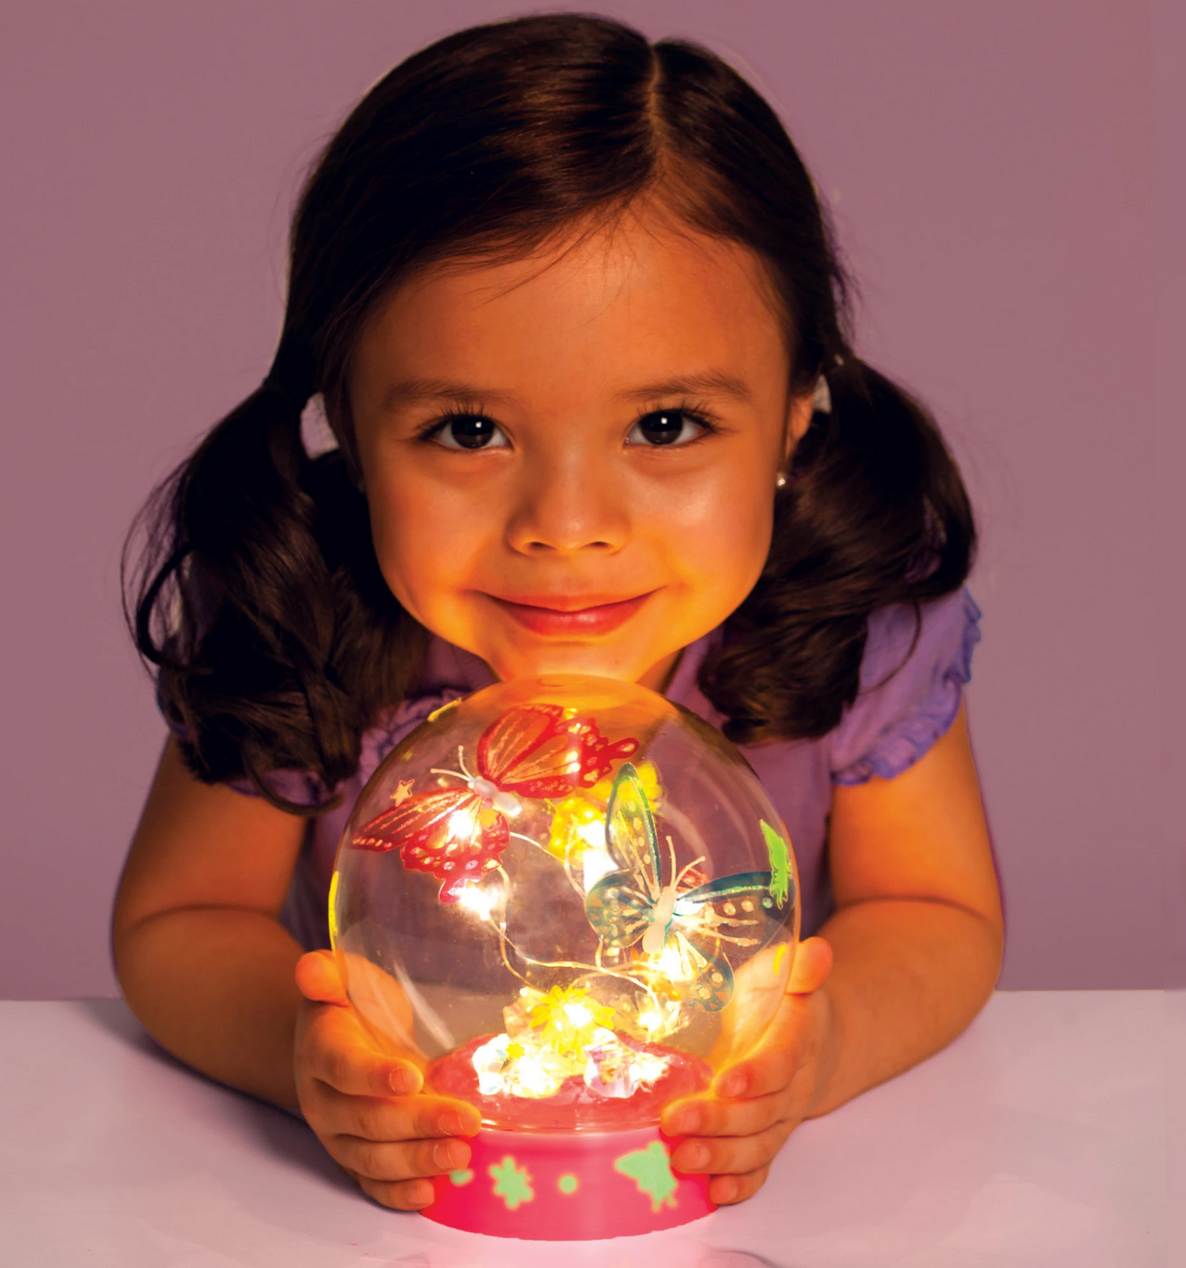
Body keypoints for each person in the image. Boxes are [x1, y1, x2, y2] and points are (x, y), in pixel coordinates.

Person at [114, 13, 1003, 1214]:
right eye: (469, 431)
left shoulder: (852, 618)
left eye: (667, 424)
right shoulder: (303, 613)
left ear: (797, 412)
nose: (565, 524)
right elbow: (183, 917)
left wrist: (821, 1045)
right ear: (353, 427)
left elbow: (936, 911)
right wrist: (303, 1052)